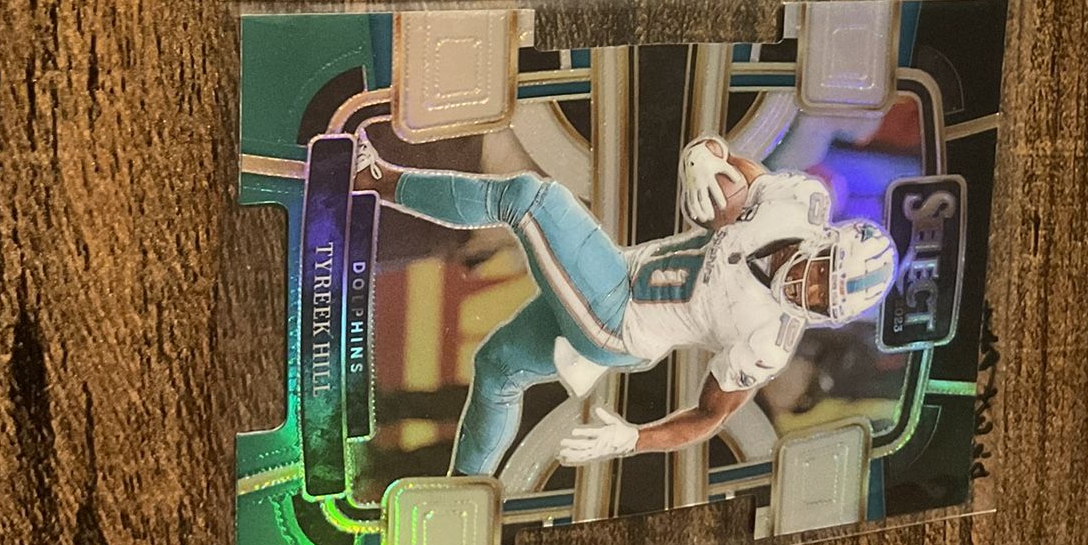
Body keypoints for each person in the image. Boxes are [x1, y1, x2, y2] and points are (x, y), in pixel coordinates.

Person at [355, 130, 898, 475]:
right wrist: (703, 157)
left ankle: (374, 178)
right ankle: (465, 491)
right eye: (823, 276)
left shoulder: (768, 342)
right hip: (620, 273)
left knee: (531, 198)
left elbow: (709, 416)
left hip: (619, 323)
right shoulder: (798, 203)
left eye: (824, 302)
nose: (810, 292)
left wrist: (633, 438)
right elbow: (736, 167)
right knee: (497, 368)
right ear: (824, 241)